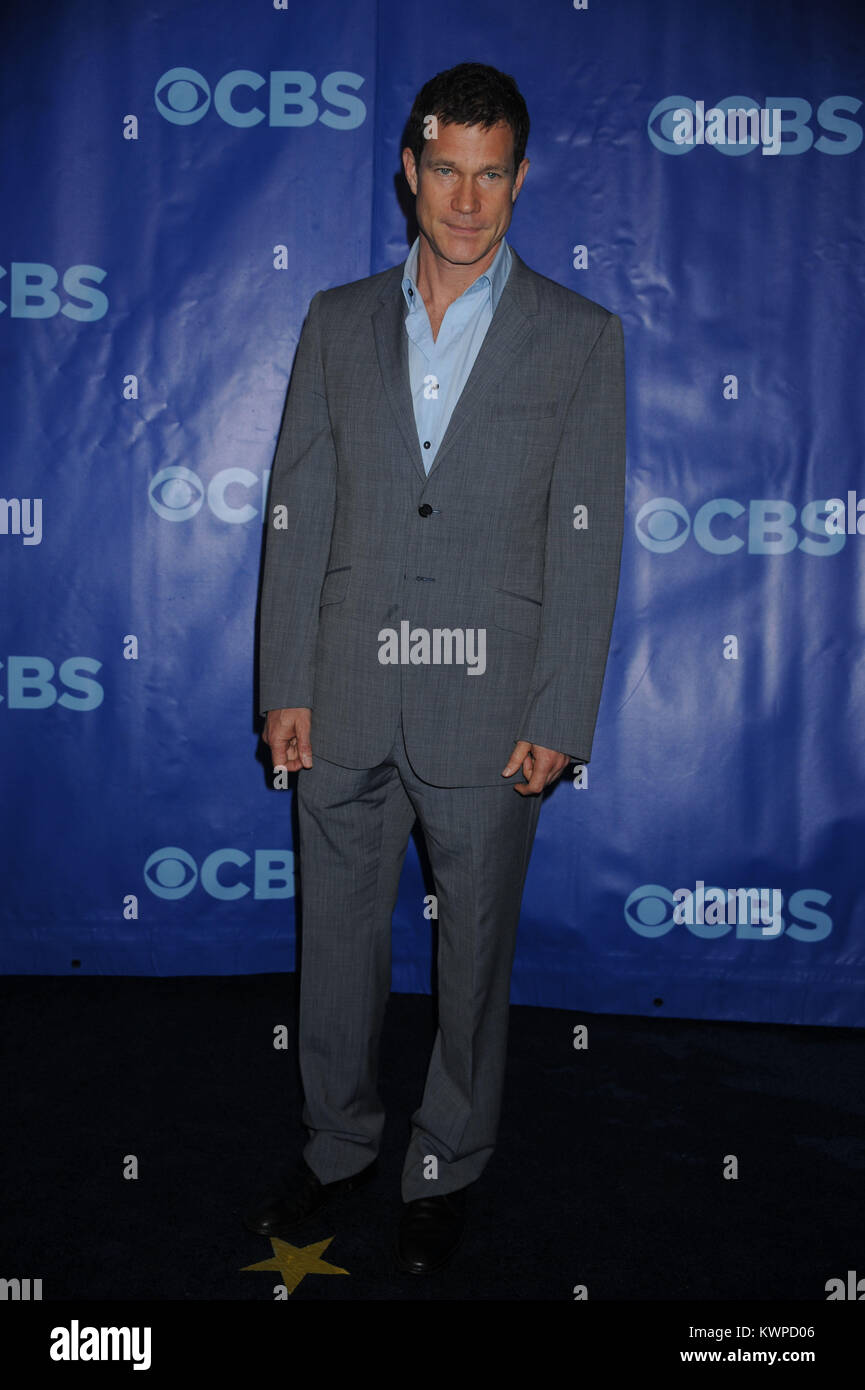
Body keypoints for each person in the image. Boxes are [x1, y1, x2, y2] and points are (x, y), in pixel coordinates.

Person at [247, 61, 626, 1275]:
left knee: (474, 962)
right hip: (343, 695)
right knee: (336, 943)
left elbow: (588, 534)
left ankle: (444, 1159)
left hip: (492, 708)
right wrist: (284, 683)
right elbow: (296, 511)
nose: (466, 199)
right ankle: (340, 1139)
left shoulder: (581, 338)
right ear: (409, 174)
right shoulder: (331, 319)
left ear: (519, 180)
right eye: (445, 171)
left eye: (491, 173)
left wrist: (562, 708)